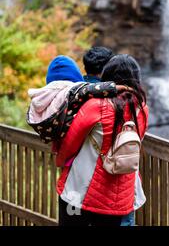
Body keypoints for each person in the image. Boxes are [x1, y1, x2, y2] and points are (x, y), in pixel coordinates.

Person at [55, 54, 149, 226]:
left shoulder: (95, 106)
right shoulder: (141, 109)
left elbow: (71, 143)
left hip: (82, 191)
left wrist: (60, 161)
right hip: (121, 195)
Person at [27, 55, 120, 145]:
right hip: (74, 149)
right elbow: (90, 89)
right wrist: (118, 87)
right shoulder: (70, 91)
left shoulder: (40, 97)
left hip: (55, 142)